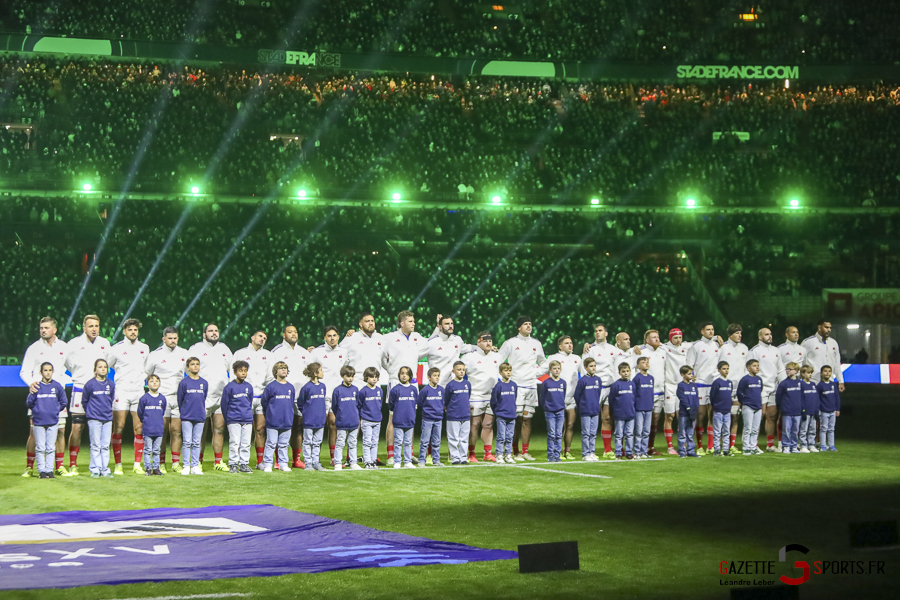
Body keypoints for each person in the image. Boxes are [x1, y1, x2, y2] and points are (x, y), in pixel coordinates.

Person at [21, 317, 69, 477]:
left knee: (60, 431)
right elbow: (24, 371)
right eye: (41, 328)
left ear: (54, 330)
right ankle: (29, 467)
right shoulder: (33, 348)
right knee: (34, 432)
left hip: (57, 396)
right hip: (39, 398)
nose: (43, 330)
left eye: (46, 328)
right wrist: (31, 383)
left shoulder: (64, 347)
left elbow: (74, 367)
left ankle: (59, 466)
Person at [63, 314, 111, 476]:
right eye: (91, 326)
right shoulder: (74, 344)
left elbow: (107, 364)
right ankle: (73, 464)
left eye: (96, 326)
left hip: (99, 392)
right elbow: (66, 363)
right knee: (77, 427)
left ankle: (99, 466)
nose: (94, 329)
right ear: (84, 328)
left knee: (99, 429)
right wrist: (78, 374)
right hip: (80, 389)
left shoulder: (105, 343)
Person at [381, 310, 429, 466]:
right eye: (410, 321)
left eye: (414, 321)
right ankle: (391, 454)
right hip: (395, 381)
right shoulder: (389, 338)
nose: (413, 323)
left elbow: (429, 345)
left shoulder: (417, 338)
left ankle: (409, 454)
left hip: (413, 383)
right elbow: (381, 356)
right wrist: (389, 370)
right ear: (402, 323)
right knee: (392, 417)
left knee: (410, 417)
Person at [498, 315, 546, 461]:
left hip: (531, 386)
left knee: (527, 419)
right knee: (516, 419)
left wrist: (536, 373)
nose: (528, 326)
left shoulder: (536, 344)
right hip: (516, 386)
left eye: (530, 324)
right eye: (525, 324)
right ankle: (514, 451)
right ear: (519, 327)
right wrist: (505, 378)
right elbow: (499, 359)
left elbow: (544, 362)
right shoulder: (511, 343)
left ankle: (525, 451)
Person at [187, 323, 232, 472]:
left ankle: (218, 461)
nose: (214, 333)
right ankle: (197, 461)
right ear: (204, 334)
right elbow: (187, 370)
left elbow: (231, 371)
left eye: (216, 331)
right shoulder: (196, 349)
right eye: (210, 331)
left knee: (219, 429)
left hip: (220, 396)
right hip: (203, 396)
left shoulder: (224, 349)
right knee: (201, 430)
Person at [144, 326, 189, 474]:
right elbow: (147, 374)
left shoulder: (184, 353)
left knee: (176, 431)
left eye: (175, 338)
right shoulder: (154, 355)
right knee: (161, 431)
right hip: (160, 399)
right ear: (164, 339)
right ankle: (160, 463)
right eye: (170, 338)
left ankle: (175, 462)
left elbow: (191, 372)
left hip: (178, 398)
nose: (173, 341)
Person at [108, 318, 150, 475]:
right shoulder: (116, 348)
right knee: (118, 427)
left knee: (139, 428)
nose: (133, 332)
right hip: (122, 391)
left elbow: (147, 367)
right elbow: (107, 365)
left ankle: (137, 464)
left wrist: (142, 378)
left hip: (138, 391)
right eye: (130, 330)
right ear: (124, 331)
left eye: (135, 330)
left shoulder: (144, 348)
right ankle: (118, 464)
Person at [271, 325, 311, 469]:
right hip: (283, 396)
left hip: (300, 396)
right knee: (279, 427)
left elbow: (309, 372)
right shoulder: (277, 351)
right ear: (284, 335)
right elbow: (272, 372)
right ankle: (277, 460)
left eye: (295, 331)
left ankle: (296, 459)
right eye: (290, 332)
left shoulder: (304, 352)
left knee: (298, 428)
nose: (293, 334)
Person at [232, 330, 273, 469]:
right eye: (260, 336)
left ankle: (259, 462)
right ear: (252, 338)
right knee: (242, 431)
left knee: (260, 429)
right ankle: (238, 461)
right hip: (244, 397)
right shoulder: (240, 353)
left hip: (261, 396)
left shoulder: (268, 355)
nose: (262, 339)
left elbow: (270, 376)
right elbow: (232, 374)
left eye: (265, 338)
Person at [310, 325, 348, 467]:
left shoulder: (344, 352)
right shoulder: (317, 352)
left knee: (334, 425)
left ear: (338, 337)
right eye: (329, 336)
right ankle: (314, 458)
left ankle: (334, 458)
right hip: (321, 395)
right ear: (324, 338)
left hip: (337, 395)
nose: (332, 338)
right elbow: (309, 370)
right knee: (318, 425)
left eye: (334, 335)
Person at [461, 331, 501, 463]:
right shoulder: (468, 357)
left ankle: (487, 453)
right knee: (474, 424)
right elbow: (458, 371)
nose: (489, 343)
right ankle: (471, 453)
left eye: (490, 341)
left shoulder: (497, 356)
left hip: (491, 396)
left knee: (488, 424)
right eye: (485, 341)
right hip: (475, 395)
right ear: (478, 342)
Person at [25, 362, 67, 479]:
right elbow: (29, 402)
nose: (48, 372)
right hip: (38, 422)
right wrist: (38, 410)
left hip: (53, 421)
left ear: (52, 372)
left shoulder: (57, 386)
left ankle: (49, 470)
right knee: (40, 447)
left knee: (50, 447)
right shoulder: (37, 386)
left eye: (50, 370)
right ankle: (41, 471)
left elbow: (64, 402)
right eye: (45, 370)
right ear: (41, 372)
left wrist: (54, 410)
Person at [543, 335, 582, 460]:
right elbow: (542, 370)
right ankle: (556, 452)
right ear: (560, 346)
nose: (570, 345)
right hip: (558, 398)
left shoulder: (577, 358)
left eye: (571, 343)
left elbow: (586, 372)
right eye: (566, 343)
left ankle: (567, 450)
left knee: (570, 425)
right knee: (556, 429)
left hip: (571, 397)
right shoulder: (554, 358)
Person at [685, 321, 719, 455]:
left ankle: (710, 446)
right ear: (702, 331)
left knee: (713, 415)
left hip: (714, 384)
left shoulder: (717, 345)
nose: (711, 332)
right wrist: (692, 377)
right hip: (700, 384)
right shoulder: (696, 346)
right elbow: (689, 365)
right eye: (708, 330)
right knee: (700, 415)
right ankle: (699, 445)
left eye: (712, 329)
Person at [748, 327, 785, 452]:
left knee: (772, 416)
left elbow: (780, 370)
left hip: (773, 388)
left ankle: (769, 444)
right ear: (760, 337)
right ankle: (754, 444)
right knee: (759, 415)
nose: (770, 336)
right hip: (760, 388)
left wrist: (784, 384)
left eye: (770, 334)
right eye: (766, 334)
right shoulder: (755, 351)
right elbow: (748, 368)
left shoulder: (776, 351)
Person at [717, 324, 748, 455]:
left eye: (740, 333)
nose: (739, 335)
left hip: (739, 387)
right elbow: (717, 365)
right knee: (724, 417)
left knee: (735, 417)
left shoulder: (744, 348)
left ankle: (732, 444)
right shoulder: (723, 348)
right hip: (726, 386)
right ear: (730, 335)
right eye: (737, 333)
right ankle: (719, 445)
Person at [82, 358, 115, 478]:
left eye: (105, 367)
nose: (103, 369)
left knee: (105, 445)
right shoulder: (90, 384)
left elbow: (110, 399)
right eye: (100, 367)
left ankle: (104, 469)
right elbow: (85, 401)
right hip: (94, 418)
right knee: (95, 445)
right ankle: (95, 469)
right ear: (95, 369)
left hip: (107, 418)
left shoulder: (110, 384)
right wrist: (91, 413)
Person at [662, 328, 692, 455]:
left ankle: (683, 445)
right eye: (675, 338)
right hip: (669, 385)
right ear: (670, 338)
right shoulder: (664, 348)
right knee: (670, 416)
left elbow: (699, 342)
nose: (678, 340)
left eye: (680, 337)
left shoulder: (687, 346)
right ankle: (670, 446)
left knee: (682, 416)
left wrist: (715, 338)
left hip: (683, 386)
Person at [221, 360, 254, 473]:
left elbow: (249, 402)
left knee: (246, 443)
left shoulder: (249, 387)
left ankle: (244, 464)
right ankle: (233, 463)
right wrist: (229, 418)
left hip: (247, 419)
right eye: (240, 371)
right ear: (235, 372)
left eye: (245, 371)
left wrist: (248, 415)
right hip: (233, 419)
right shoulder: (229, 387)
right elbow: (224, 404)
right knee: (234, 442)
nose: (243, 373)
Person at [637, 330, 667, 456]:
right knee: (640, 422)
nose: (657, 339)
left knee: (654, 421)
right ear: (647, 340)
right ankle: (636, 448)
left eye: (658, 337)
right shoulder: (641, 351)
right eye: (653, 337)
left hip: (660, 391)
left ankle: (650, 446)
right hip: (646, 391)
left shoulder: (663, 351)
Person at [177, 357, 208, 476]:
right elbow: (180, 399)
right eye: (192, 364)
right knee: (186, 442)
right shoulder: (184, 383)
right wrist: (184, 412)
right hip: (187, 417)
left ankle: (195, 465)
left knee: (196, 442)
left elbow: (203, 398)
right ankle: (186, 465)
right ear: (188, 367)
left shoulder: (204, 383)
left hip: (199, 416)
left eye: (197, 364)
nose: (195, 366)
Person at [331, 365, 362, 471]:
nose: (350, 378)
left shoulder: (355, 389)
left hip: (353, 422)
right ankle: (338, 463)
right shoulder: (337, 390)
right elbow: (334, 406)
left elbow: (358, 404)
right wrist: (340, 416)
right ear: (342, 376)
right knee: (340, 443)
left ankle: (353, 462)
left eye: (352, 376)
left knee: (353, 443)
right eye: (348, 376)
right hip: (342, 422)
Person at [296, 362, 326, 471]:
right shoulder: (306, 387)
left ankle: (316, 462)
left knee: (317, 442)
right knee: (308, 442)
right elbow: (300, 403)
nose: (323, 372)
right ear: (315, 373)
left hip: (320, 420)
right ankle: (308, 463)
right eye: (321, 370)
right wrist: (307, 413)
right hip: (309, 421)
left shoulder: (323, 386)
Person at [388, 366, 418, 469]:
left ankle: (407, 461)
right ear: (399, 375)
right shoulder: (395, 389)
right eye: (402, 373)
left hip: (409, 420)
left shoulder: (413, 389)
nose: (404, 375)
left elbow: (415, 403)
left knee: (408, 442)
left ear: (410, 376)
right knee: (398, 442)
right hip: (398, 421)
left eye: (406, 373)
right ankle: (397, 461)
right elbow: (391, 405)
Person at [802, 320, 845, 391]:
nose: (829, 330)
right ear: (819, 327)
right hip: (813, 382)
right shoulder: (808, 342)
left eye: (830, 328)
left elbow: (837, 364)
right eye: (826, 327)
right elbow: (801, 362)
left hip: (829, 382)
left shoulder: (833, 343)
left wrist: (841, 381)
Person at [137, 374, 166, 475]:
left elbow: (162, 411)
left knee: (157, 450)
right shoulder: (144, 398)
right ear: (147, 384)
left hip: (159, 429)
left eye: (157, 381)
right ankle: (148, 468)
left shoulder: (162, 398)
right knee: (148, 450)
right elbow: (140, 413)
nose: (154, 383)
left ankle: (156, 468)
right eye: (151, 381)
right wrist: (145, 421)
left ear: (160, 384)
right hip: (148, 429)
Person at [574, 357, 602, 462]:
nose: (593, 368)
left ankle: (592, 452)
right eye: (591, 366)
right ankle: (585, 453)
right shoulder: (582, 381)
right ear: (585, 368)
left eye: (594, 366)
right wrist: (582, 406)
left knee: (593, 433)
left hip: (595, 410)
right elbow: (577, 395)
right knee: (586, 433)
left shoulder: (598, 380)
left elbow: (598, 394)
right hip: (585, 410)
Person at [444, 361, 472, 465]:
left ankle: (463, 458)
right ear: (453, 371)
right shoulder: (450, 385)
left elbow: (467, 397)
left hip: (465, 415)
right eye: (459, 370)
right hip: (453, 416)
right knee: (453, 438)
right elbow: (446, 400)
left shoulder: (467, 384)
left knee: (464, 438)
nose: (461, 372)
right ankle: (455, 458)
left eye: (463, 370)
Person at [490, 363, 518, 464]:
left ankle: (508, 455)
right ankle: (499, 455)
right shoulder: (498, 386)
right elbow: (493, 401)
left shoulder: (513, 385)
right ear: (500, 372)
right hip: (501, 415)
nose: (508, 372)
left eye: (509, 370)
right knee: (501, 436)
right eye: (506, 371)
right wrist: (498, 412)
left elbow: (514, 398)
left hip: (512, 415)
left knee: (509, 436)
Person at [539, 360, 567, 463]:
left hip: (560, 411)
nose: (556, 370)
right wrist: (546, 406)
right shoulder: (546, 382)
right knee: (552, 433)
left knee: (559, 434)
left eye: (558, 368)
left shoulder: (563, 382)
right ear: (550, 370)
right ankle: (550, 455)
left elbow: (563, 395)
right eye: (554, 368)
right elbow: (542, 397)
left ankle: (557, 455)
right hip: (550, 411)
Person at [417, 367, 445, 467]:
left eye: (438, 376)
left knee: (436, 441)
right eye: (434, 376)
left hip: (438, 419)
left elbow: (443, 402)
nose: (437, 378)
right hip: (427, 419)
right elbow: (420, 403)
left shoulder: (441, 390)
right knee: (424, 441)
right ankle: (421, 460)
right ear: (429, 377)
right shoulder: (425, 390)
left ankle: (436, 460)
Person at [607, 363, 636, 460]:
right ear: (619, 373)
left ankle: (629, 452)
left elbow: (634, 398)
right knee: (619, 434)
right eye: (623, 371)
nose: (626, 373)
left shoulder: (632, 384)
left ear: (630, 372)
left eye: (627, 371)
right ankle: (618, 452)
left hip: (630, 414)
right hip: (619, 414)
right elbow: (611, 400)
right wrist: (613, 412)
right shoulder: (616, 385)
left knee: (629, 434)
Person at [357, 366, 384, 469]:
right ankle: (367, 461)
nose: (374, 379)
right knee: (367, 441)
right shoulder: (363, 391)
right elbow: (359, 405)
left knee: (375, 442)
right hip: (366, 420)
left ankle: (373, 460)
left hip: (377, 420)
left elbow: (380, 404)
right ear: (366, 378)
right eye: (371, 377)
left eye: (376, 377)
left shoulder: (379, 391)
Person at [736, 359, 764, 455]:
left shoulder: (759, 379)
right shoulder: (745, 379)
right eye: (754, 365)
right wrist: (744, 402)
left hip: (758, 406)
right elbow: (739, 392)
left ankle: (753, 447)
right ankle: (746, 447)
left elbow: (760, 390)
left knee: (755, 428)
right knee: (748, 427)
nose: (757, 367)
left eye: (758, 365)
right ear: (748, 368)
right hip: (748, 406)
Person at [775, 362, 802, 454]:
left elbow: (803, 397)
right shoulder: (783, 383)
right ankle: (786, 446)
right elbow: (778, 397)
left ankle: (794, 446)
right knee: (786, 430)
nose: (788, 371)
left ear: (796, 371)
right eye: (787, 369)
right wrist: (781, 408)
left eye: (790, 369)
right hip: (787, 411)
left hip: (797, 411)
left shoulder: (800, 383)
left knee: (795, 430)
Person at [709, 361, 734, 457]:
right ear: (719, 370)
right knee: (717, 431)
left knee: (726, 431)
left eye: (727, 368)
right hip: (718, 410)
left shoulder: (729, 383)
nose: (726, 370)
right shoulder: (717, 382)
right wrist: (716, 405)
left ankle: (726, 449)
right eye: (724, 369)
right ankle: (717, 450)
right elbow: (713, 396)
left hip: (727, 411)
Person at [632, 356, 654, 459]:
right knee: (639, 431)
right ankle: (637, 451)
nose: (646, 363)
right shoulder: (637, 378)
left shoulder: (651, 378)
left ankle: (644, 451)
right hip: (639, 408)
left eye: (647, 362)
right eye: (643, 362)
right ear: (638, 366)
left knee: (646, 431)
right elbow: (634, 393)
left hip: (649, 408)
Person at [676, 366, 700, 458]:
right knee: (682, 433)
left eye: (692, 374)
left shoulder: (694, 385)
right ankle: (682, 451)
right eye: (689, 374)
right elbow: (682, 398)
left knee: (690, 433)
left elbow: (696, 398)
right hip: (684, 413)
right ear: (683, 375)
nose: (691, 376)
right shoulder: (681, 386)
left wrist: (695, 409)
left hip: (693, 413)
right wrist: (689, 409)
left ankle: (690, 450)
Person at [817, 365, 840, 452]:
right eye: (825, 371)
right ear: (821, 373)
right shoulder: (820, 385)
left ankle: (831, 445)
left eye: (829, 371)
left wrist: (837, 409)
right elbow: (818, 399)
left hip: (832, 410)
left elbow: (837, 397)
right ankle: (823, 445)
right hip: (824, 411)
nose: (827, 373)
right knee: (823, 429)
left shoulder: (833, 384)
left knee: (831, 429)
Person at [798, 365, 819, 453]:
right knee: (804, 429)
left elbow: (816, 398)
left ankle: (811, 445)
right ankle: (803, 445)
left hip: (813, 411)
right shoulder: (801, 384)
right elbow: (800, 398)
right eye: (808, 373)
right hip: (805, 411)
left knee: (813, 429)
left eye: (811, 373)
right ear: (803, 374)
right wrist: (803, 410)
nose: (810, 375)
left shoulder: (813, 384)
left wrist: (817, 410)